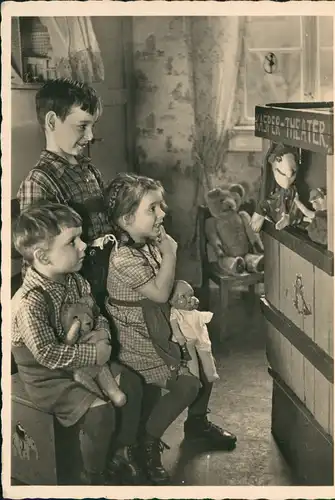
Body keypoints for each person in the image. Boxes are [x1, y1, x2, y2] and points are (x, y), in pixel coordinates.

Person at [104, 172, 237, 485]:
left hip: (158, 328)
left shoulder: (146, 243)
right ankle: (146, 445)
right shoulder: (123, 258)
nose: (162, 213)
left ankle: (197, 424)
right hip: (137, 341)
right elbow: (160, 294)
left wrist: (180, 284)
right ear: (126, 219)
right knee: (187, 384)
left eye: (159, 206)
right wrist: (172, 254)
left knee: (204, 360)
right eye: (152, 209)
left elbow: (163, 288)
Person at [11, 203, 145, 485]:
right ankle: (94, 475)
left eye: (80, 238)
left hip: (85, 360)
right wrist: (93, 353)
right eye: (72, 241)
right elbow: (46, 354)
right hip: (48, 376)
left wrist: (103, 337)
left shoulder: (76, 281)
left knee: (131, 383)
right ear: (43, 257)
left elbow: (97, 315)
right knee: (100, 412)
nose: (84, 246)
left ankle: (121, 449)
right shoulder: (29, 301)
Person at [17, 78, 114, 310]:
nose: (90, 136)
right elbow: (37, 264)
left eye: (92, 126)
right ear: (52, 121)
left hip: (106, 280)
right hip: (76, 297)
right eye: (82, 126)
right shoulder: (39, 182)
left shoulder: (88, 170)